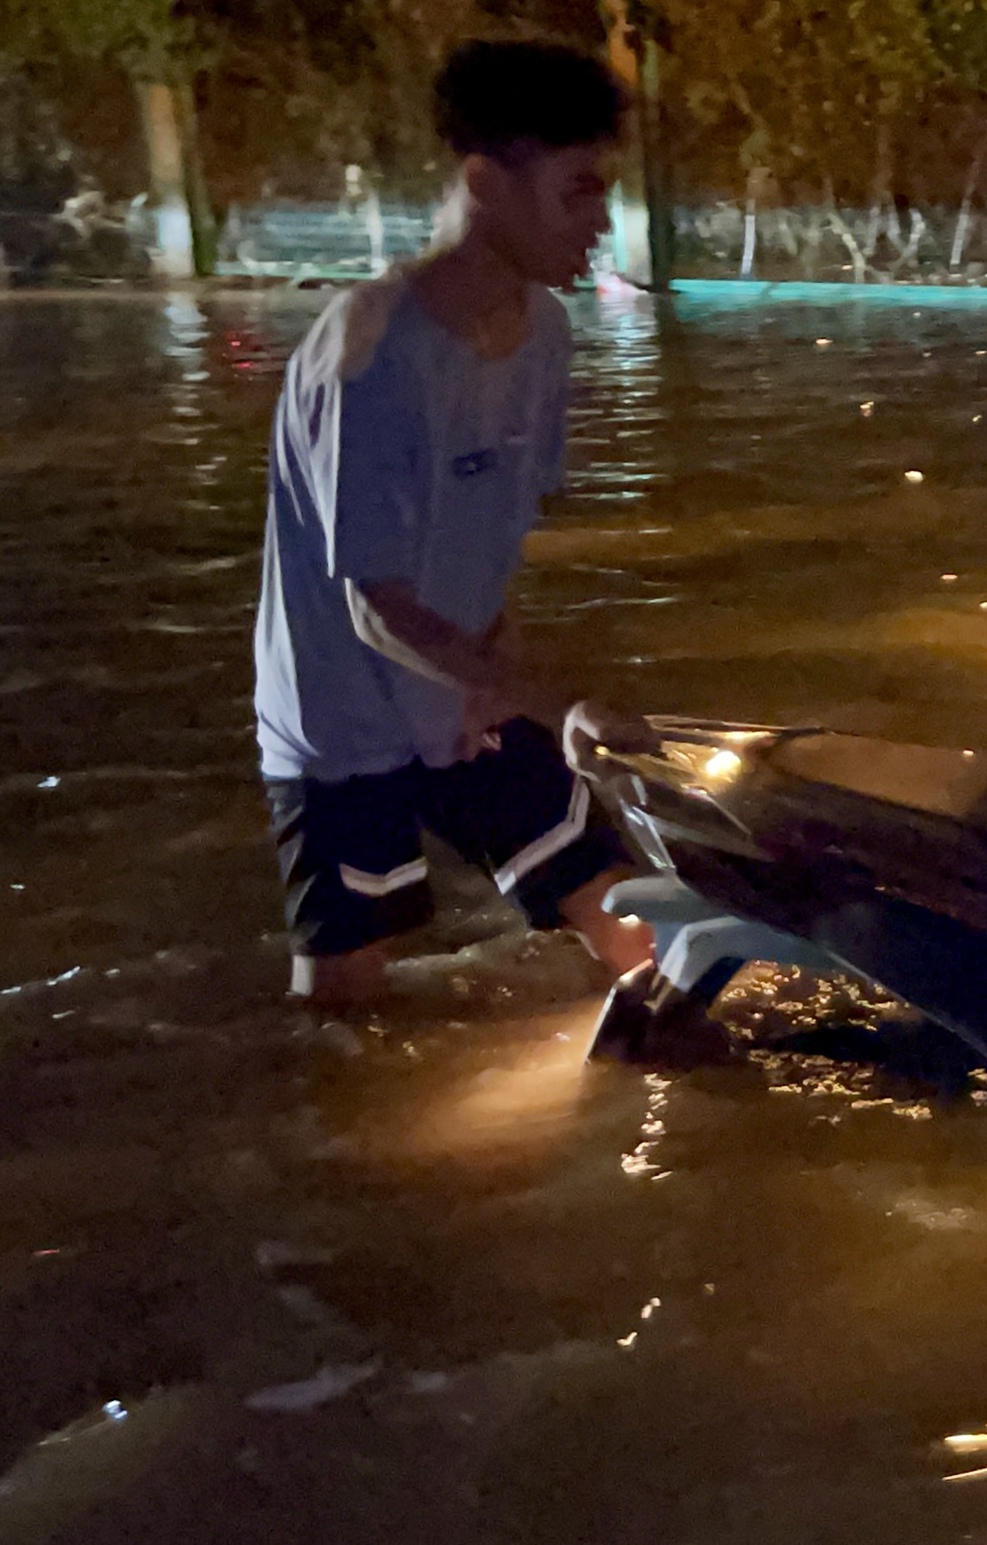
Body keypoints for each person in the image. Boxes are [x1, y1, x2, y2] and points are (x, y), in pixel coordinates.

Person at [253, 40, 659, 1009]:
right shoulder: (372, 354)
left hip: (467, 693)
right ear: (488, 184)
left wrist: (496, 678)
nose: (602, 221)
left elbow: (486, 533)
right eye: (577, 193)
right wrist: (559, 707)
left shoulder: (547, 336)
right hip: (341, 722)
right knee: (345, 1007)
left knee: (634, 922)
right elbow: (375, 609)